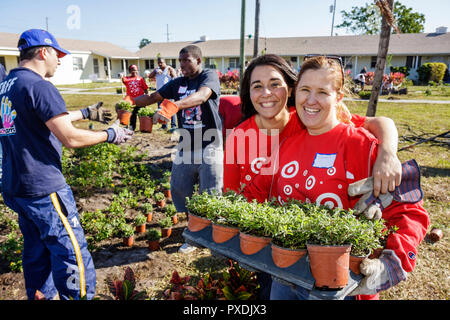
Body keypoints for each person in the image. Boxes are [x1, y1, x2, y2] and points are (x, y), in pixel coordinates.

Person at [242, 55, 429, 300]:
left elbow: (409, 212)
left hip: (343, 287)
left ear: (338, 98)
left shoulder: (363, 146)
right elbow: (256, 191)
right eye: (305, 90)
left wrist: (392, 262)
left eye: (322, 92)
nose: (310, 100)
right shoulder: (287, 145)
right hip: (285, 278)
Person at [0, 29, 133, 300]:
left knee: (37, 250)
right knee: (70, 251)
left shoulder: (8, 86)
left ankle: (41, 296)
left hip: (16, 186)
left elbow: (37, 117)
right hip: (43, 187)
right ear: (43, 52)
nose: (60, 61)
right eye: (57, 55)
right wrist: (110, 134)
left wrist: (84, 113)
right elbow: (69, 138)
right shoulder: (40, 86)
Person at [134, 45, 222, 254]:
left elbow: (202, 96)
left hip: (210, 143)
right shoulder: (178, 83)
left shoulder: (208, 76)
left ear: (199, 61)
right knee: (180, 188)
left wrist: (174, 106)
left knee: (210, 194)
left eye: (187, 60)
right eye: (180, 61)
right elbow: (153, 97)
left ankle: (209, 238)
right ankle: (195, 231)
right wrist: (132, 101)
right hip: (186, 144)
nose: (182, 65)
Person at [148, 58, 177, 131]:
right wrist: (155, 71)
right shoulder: (157, 70)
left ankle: (173, 126)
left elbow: (175, 78)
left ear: (165, 62)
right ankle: (164, 126)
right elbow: (150, 76)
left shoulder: (169, 69)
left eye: (161, 63)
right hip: (159, 93)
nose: (160, 64)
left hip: (168, 93)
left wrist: (171, 72)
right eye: (158, 63)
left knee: (170, 109)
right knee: (161, 110)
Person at [121, 64, 148, 130]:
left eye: (136, 70)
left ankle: (144, 127)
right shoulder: (127, 79)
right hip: (131, 100)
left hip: (141, 99)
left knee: (142, 114)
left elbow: (145, 88)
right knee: (132, 114)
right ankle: (132, 126)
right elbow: (123, 80)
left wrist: (147, 97)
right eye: (133, 70)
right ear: (130, 71)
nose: (135, 72)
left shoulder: (140, 79)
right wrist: (121, 76)